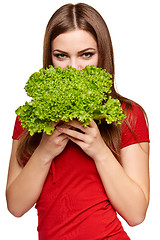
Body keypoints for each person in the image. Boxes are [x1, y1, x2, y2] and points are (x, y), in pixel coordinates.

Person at [6, 3, 150, 240]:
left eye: (86, 54)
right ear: (49, 57)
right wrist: (44, 151)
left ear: (102, 53)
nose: (74, 67)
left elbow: (136, 214)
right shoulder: (30, 118)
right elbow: (15, 206)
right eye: (61, 56)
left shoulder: (127, 115)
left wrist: (99, 151)